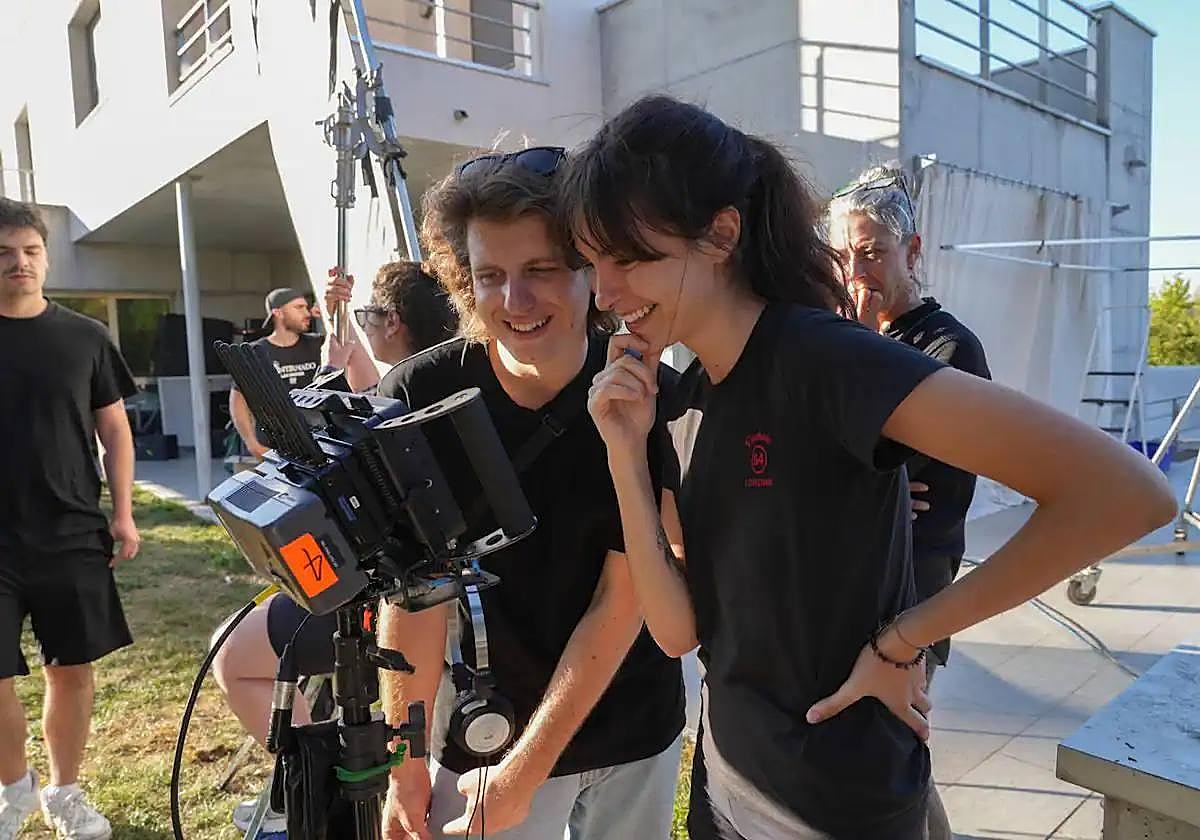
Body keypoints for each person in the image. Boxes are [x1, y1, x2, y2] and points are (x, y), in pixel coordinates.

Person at [562, 95, 1176, 840]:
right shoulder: (687, 395)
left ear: (721, 233)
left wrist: (905, 638)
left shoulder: (823, 358)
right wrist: (625, 453)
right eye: (593, 263)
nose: (604, 292)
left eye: (630, 258)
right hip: (727, 784)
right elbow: (675, 631)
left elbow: (1124, 494)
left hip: (835, 801)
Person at [377, 147, 685, 840]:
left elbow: (623, 598)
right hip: (479, 732)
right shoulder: (416, 398)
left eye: (542, 271)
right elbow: (411, 596)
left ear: (591, 274)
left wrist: (523, 778)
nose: (515, 302)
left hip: (627, 729)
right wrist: (403, 759)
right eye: (491, 276)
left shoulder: (643, 393)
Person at [210, 261, 458, 838]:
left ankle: (308, 785)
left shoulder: (394, 401)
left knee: (233, 656)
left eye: (372, 313)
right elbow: (353, 371)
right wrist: (339, 315)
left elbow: (354, 383)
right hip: (398, 600)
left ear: (393, 323)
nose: (365, 325)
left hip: (386, 603)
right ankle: (314, 781)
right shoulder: (434, 388)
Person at [827, 163, 992, 839]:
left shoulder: (947, 348)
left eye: (872, 253)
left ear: (912, 252)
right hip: (856, 584)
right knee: (886, 745)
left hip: (913, 594)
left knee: (892, 745)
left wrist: (869, 474)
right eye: (842, 257)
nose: (856, 273)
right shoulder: (851, 340)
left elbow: (857, 458)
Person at [0, 198, 141, 840]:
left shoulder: (85, 336)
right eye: (3, 254)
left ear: (45, 257)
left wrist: (124, 514)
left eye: (29, 251)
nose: (18, 263)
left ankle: (64, 791)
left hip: (70, 530)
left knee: (71, 669)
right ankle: (13, 789)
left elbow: (114, 430)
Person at [228, 287, 323, 458]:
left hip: (318, 443)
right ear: (278, 312)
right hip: (274, 448)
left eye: (307, 307)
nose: (307, 313)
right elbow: (238, 401)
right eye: (299, 307)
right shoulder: (255, 352)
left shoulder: (318, 344)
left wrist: (327, 313)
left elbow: (344, 346)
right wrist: (252, 444)